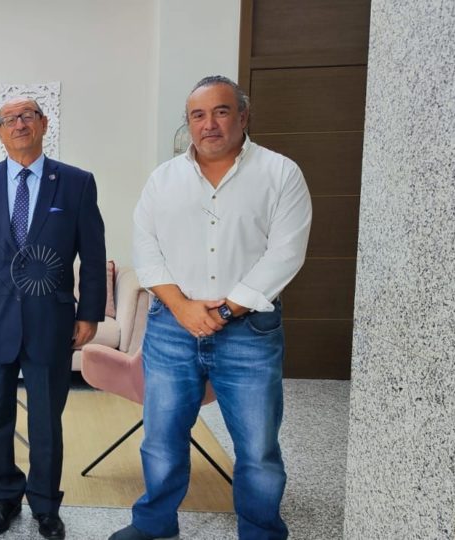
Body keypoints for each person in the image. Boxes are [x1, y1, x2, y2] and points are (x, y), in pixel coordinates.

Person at [108, 75, 312, 540]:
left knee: (257, 448)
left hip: (250, 332)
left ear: (243, 116)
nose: (209, 124)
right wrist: (182, 307)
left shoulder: (280, 173)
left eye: (221, 111)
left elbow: (285, 254)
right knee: (161, 439)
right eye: (198, 115)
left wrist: (224, 312)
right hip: (171, 328)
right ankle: (155, 525)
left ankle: (260, 532)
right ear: (188, 123)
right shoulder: (163, 179)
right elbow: (146, 250)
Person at [0, 97, 108, 540]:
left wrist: (90, 312)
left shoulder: (76, 183)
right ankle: (3, 498)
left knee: (46, 422)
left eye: (27, 116)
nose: (18, 124)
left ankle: (45, 505)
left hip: (50, 321)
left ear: (43, 123)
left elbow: (93, 254)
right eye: (8, 119)